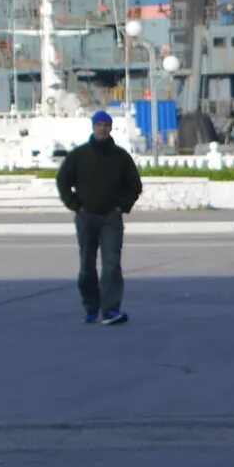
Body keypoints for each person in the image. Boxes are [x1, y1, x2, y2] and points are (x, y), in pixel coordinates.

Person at [56, 109, 144, 325]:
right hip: (86, 218)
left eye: (106, 125)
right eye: (99, 125)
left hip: (111, 219)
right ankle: (91, 307)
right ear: (93, 127)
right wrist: (76, 205)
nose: (102, 128)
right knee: (87, 266)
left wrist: (121, 206)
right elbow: (63, 181)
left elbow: (134, 185)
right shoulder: (79, 155)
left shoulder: (121, 156)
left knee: (112, 264)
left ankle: (111, 308)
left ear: (111, 128)